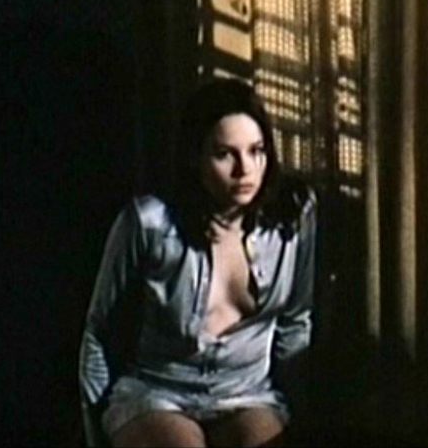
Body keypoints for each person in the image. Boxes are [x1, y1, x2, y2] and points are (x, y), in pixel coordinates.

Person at [79, 79, 316, 447]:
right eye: (225, 154)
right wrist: (94, 431)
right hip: (158, 392)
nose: (245, 169)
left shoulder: (292, 218)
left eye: (256, 151)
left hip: (248, 392)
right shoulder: (149, 224)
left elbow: (295, 323)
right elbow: (99, 333)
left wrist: (298, 420)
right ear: (195, 157)